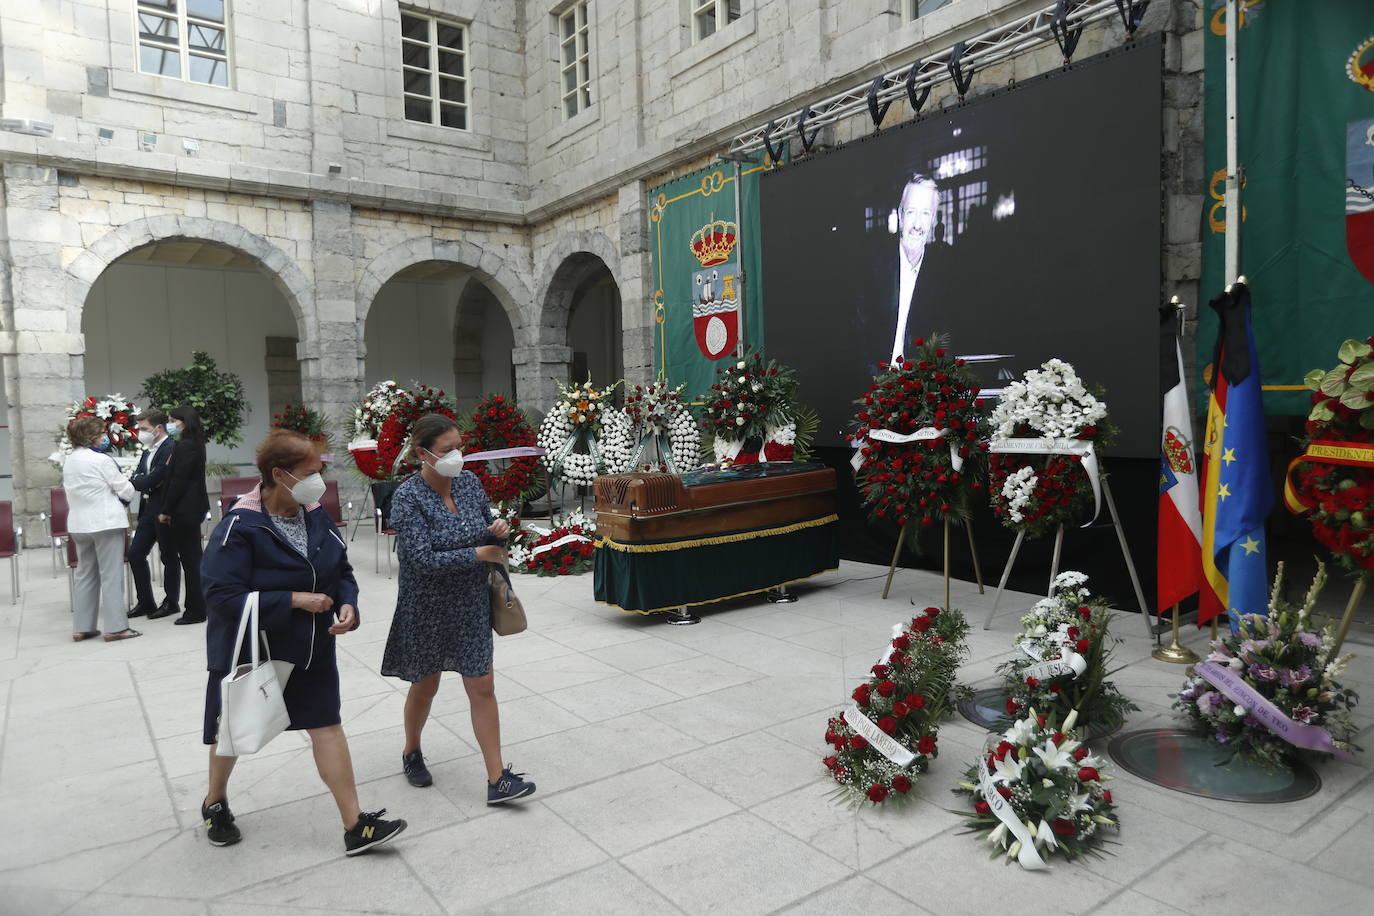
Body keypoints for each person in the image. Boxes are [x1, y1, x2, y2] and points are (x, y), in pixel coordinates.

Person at [199, 428, 407, 854]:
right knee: (235, 730)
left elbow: (340, 570)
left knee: (327, 727)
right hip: (254, 650)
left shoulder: (313, 512)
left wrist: (348, 602)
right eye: (310, 472)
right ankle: (215, 801)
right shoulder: (239, 526)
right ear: (279, 474)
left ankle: (355, 825)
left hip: (312, 647)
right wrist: (292, 599)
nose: (320, 481)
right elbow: (220, 596)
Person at [381, 413, 535, 804]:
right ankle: (411, 750)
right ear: (423, 454)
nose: (457, 457)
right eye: (448, 450)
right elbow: (419, 559)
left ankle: (497, 778)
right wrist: (477, 552)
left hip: (470, 602)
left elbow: (483, 528)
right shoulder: (407, 496)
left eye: (458, 447)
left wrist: (497, 528)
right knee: (426, 685)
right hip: (426, 605)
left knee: (482, 686)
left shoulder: (469, 483)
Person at [61, 415, 139, 642]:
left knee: (85, 574)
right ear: (92, 437)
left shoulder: (70, 460)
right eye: (102, 434)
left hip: (79, 524)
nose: (105, 438)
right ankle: (116, 628)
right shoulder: (101, 460)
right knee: (111, 575)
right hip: (106, 522)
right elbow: (126, 490)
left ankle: (82, 627)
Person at [888, 173, 951, 363]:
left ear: (932, 219)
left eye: (925, 213)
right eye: (911, 212)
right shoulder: (870, 269)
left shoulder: (945, 277)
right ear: (900, 215)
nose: (917, 225)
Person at [157, 405, 210, 625]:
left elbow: (178, 481)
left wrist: (166, 510)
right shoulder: (193, 444)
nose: (170, 424)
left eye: (172, 420)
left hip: (184, 510)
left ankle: (195, 610)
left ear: (184, 422)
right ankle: (197, 607)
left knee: (190, 561)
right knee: (192, 559)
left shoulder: (186, 446)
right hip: (190, 508)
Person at [128, 408, 179, 619]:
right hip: (147, 510)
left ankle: (171, 602)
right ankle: (146, 601)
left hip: (164, 509)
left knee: (168, 557)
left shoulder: (170, 447)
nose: (140, 432)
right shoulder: (148, 449)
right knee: (135, 553)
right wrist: (142, 481)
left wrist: (142, 482)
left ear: (158, 428)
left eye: (144, 428)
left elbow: (155, 478)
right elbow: (139, 476)